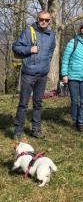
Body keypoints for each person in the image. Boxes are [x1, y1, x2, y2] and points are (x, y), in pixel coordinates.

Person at [12, 10, 56, 140]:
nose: (44, 22)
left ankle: (36, 129)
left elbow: (51, 50)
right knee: (23, 103)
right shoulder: (28, 31)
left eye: (46, 20)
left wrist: (46, 65)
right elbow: (15, 47)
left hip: (42, 74)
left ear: (50, 21)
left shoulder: (51, 35)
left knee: (38, 103)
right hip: (28, 74)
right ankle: (18, 131)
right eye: (41, 19)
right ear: (38, 19)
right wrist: (28, 50)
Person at [61, 24, 83, 133]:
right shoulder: (73, 43)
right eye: (82, 34)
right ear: (79, 33)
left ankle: (81, 123)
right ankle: (74, 120)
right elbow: (65, 59)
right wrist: (64, 74)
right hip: (73, 76)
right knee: (74, 100)